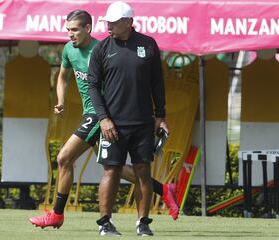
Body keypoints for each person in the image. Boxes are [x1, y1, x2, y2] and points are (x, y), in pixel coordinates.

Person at [29, 9, 178, 231]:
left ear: (87, 29)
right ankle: (163, 190)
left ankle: (57, 214)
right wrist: (60, 100)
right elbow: (62, 77)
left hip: (102, 115)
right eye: (68, 30)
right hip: (100, 115)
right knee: (114, 168)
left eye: (74, 30)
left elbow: (128, 83)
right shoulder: (70, 49)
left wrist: (108, 116)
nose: (70, 35)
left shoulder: (101, 49)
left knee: (64, 158)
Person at [88, 1, 173, 236]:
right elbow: (92, 87)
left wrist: (161, 116)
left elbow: (158, 82)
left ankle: (143, 223)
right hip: (112, 125)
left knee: (142, 171)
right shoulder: (101, 49)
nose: (109, 27)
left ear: (129, 22)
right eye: (107, 23)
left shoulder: (148, 44)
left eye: (114, 23)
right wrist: (103, 119)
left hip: (144, 123)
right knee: (111, 171)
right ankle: (105, 222)